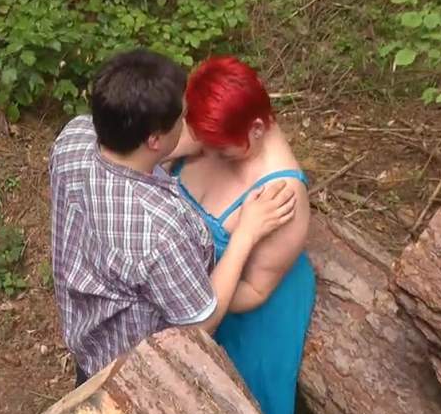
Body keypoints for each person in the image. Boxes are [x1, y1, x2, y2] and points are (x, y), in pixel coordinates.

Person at [49, 49, 298, 387]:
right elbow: (200, 322)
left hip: (91, 343)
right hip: (133, 372)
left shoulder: (73, 138)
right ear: (153, 139)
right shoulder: (160, 230)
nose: (189, 126)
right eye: (182, 119)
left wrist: (172, 149)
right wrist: (246, 233)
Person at [170, 55, 316, 414]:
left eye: (221, 151)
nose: (208, 154)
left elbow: (255, 289)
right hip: (191, 296)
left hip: (247, 317)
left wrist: (189, 298)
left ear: (256, 130)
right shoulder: (216, 129)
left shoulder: (282, 194)